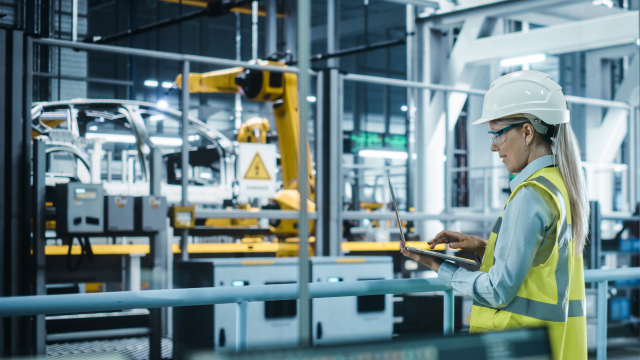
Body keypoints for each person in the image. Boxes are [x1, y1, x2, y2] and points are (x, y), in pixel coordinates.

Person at [401, 70, 588, 360]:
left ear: (527, 132)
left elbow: (498, 291)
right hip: (552, 342)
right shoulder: (561, 185)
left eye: (497, 133)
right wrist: (482, 248)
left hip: (515, 343)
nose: (492, 146)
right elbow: (541, 262)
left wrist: (439, 267)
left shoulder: (530, 194)